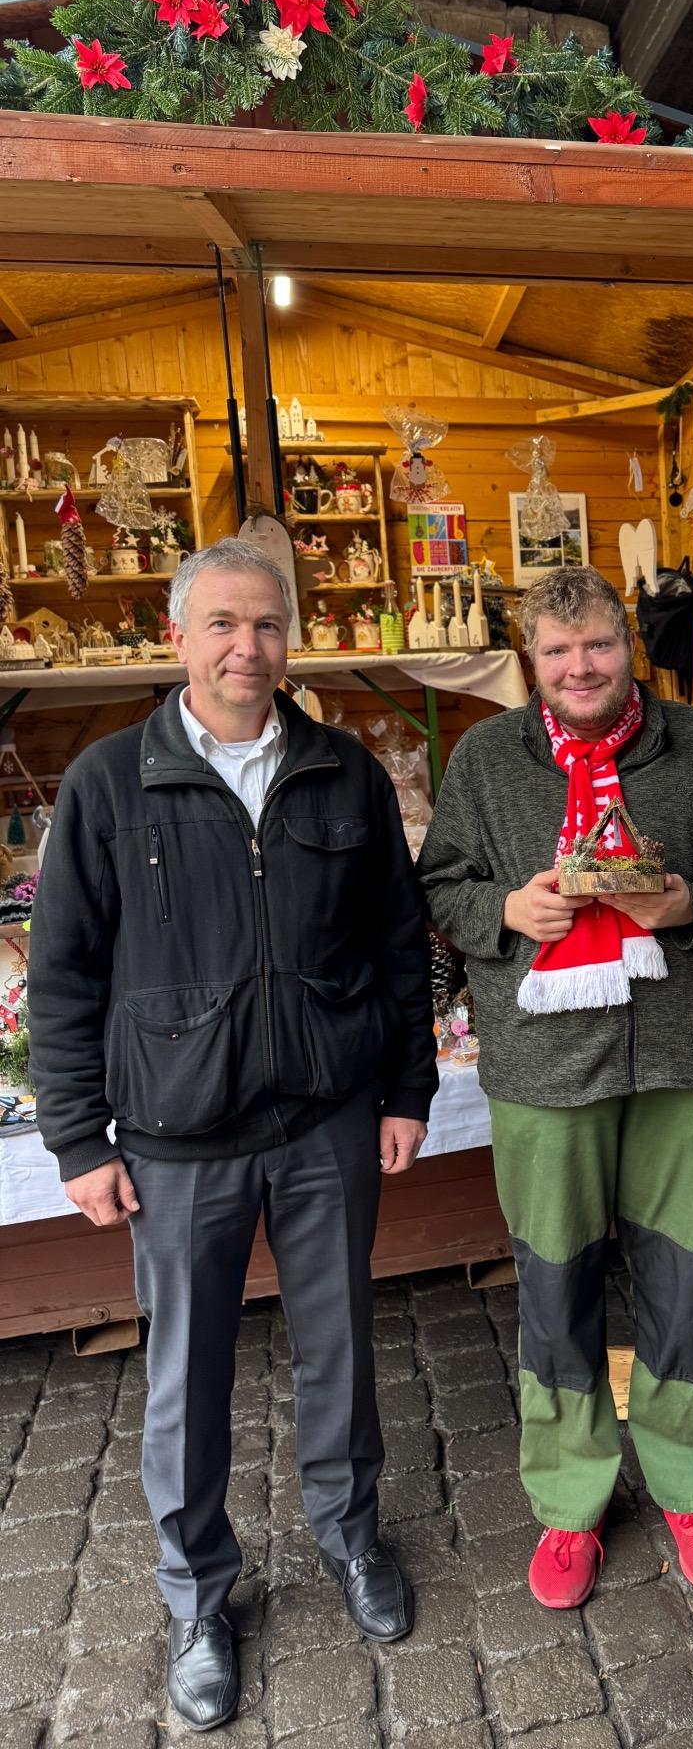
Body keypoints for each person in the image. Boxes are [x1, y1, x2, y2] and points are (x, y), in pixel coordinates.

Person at [28, 538, 437, 1733]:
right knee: (186, 1375)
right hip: (175, 1140)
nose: (245, 648)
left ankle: (350, 1539)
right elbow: (63, 977)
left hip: (324, 1124)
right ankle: (200, 1595)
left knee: (342, 1350)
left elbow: (403, 950)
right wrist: (77, 1142)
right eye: (221, 626)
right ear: (178, 638)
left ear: (290, 638)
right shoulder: (109, 783)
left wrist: (406, 1091)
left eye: (265, 626)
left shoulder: (346, 774)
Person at [419, 565, 693, 1610]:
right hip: (542, 1062)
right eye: (560, 649)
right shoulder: (486, 758)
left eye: (600, 645)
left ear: (631, 649)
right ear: (532, 658)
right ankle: (571, 1501)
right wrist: (503, 914)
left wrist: (688, 906)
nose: (582, 666)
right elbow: (439, 880)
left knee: (681, 1275)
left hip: (676, 1051)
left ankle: (688, 1479)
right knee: (556, 1285)